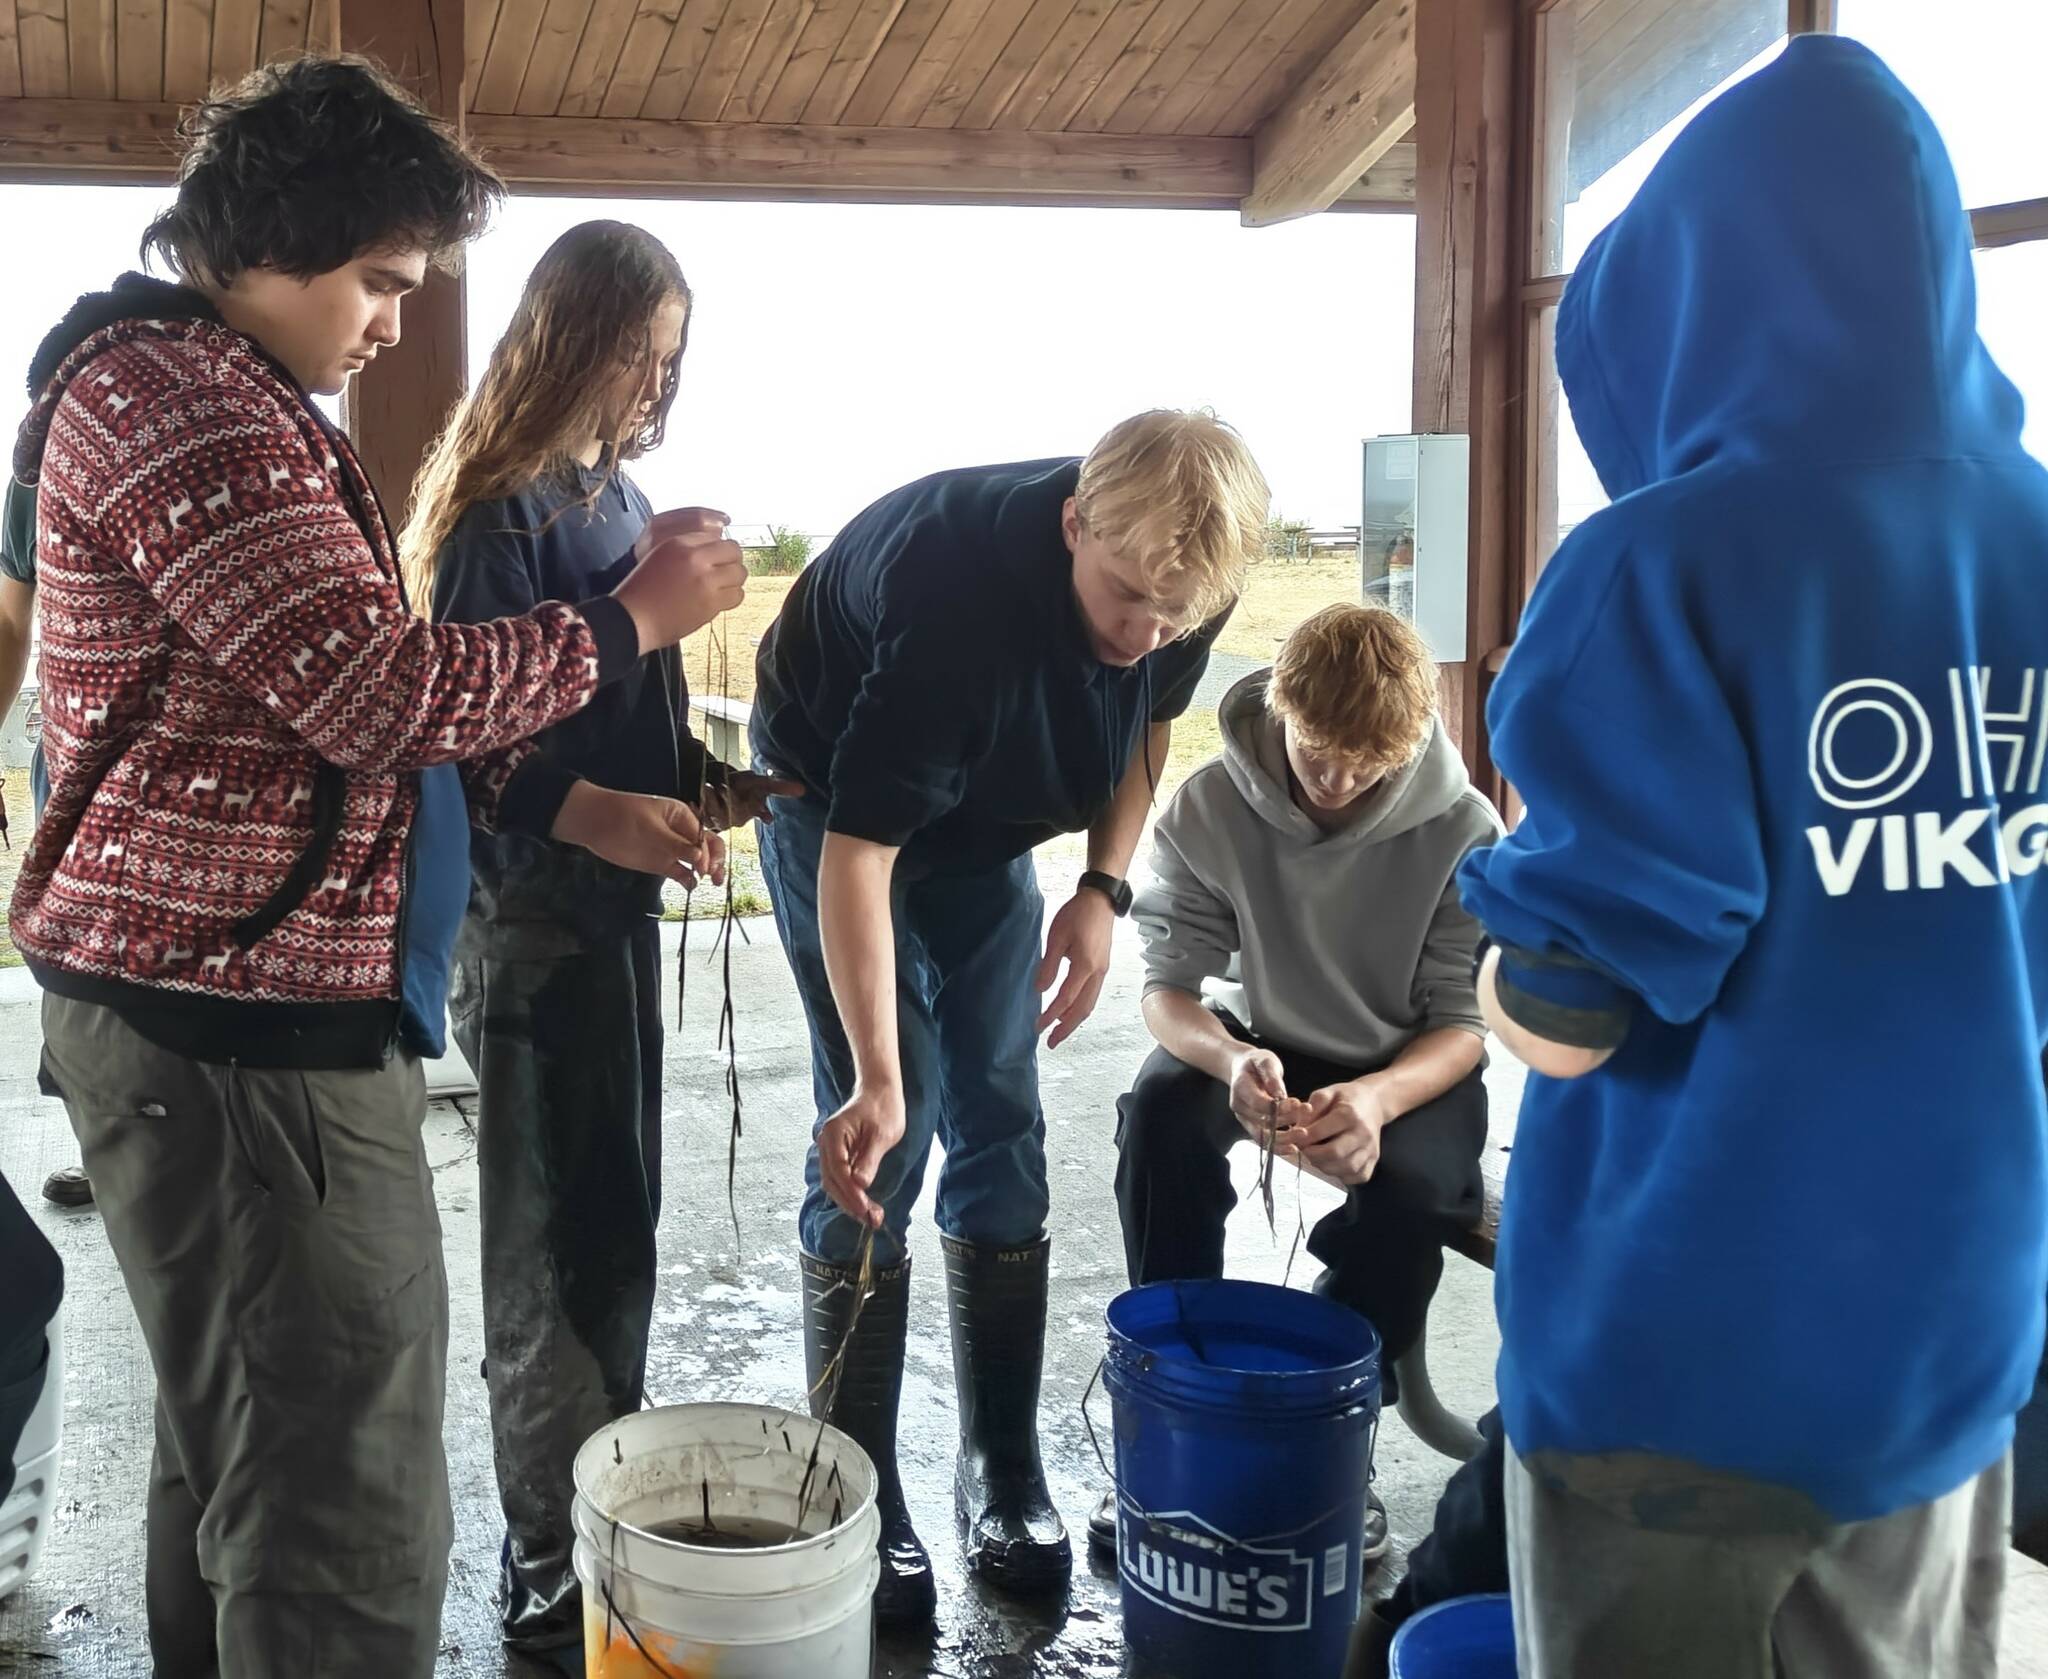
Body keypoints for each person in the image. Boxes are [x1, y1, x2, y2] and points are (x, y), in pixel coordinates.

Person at [11, 55, 743, 1677]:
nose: (397, 323)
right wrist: (636, 617)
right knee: (340, 1504)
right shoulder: (188, 402)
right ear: (283, 237)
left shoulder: (180, 387)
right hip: (241, 1033)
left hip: (201, 1001)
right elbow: (382, 693)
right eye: (382, 280)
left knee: (240, 1460)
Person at [1456, 36, 2048, 1679]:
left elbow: (1572, 1006)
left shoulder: (1655, 563)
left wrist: (1503, 934)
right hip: (1949, 1319)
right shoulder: (2035, 536)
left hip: (1686, 1343)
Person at [751, 410, 1270, 1625]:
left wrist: (1099, 887)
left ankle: (1000, 1468)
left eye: (1173, 614)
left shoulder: (1186, 579)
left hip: (991, 832)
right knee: (895, 1125)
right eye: (1124, 593)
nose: (1141, 630)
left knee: (1005, 1118)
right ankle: (855, 1492)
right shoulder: (958, 601)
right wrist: (873, 1072)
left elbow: (1147, 729)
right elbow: (859, 852)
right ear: (1072, 523)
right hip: (832, 803)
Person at [405, 218, 793, 1664]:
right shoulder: (500, 510)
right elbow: (467, 743)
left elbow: (623, 721)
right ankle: (541, 1548)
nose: (653, 380)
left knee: (616, 1224)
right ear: (566, 336)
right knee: (547, 1240)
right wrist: (599, 817)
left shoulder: (618, 501)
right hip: (529, 925)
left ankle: (597, 1497)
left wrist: (713, 789)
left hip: (612, 925)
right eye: (637, 349)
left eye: (671, 356)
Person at [1103, 603, 1499, 1562]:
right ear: (1281, 707)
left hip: (1407, 1054)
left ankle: (1333, 1438)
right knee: (1159, 1112)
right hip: (1263, 1034)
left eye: (1367, 764)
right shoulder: (1208, 805)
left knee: (1415, 1188)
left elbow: (1468, 1021)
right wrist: (1234, 1059)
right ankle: (1176, 1394)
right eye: (1318, 752)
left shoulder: (1465, 826)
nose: (1337, 780)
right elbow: (1167, 990)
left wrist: (1376, 1100)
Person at [0, 477, 90, 1210]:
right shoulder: (36, 466)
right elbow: (9, 618)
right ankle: (107, 1145)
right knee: (70, 960)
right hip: (70, 763)